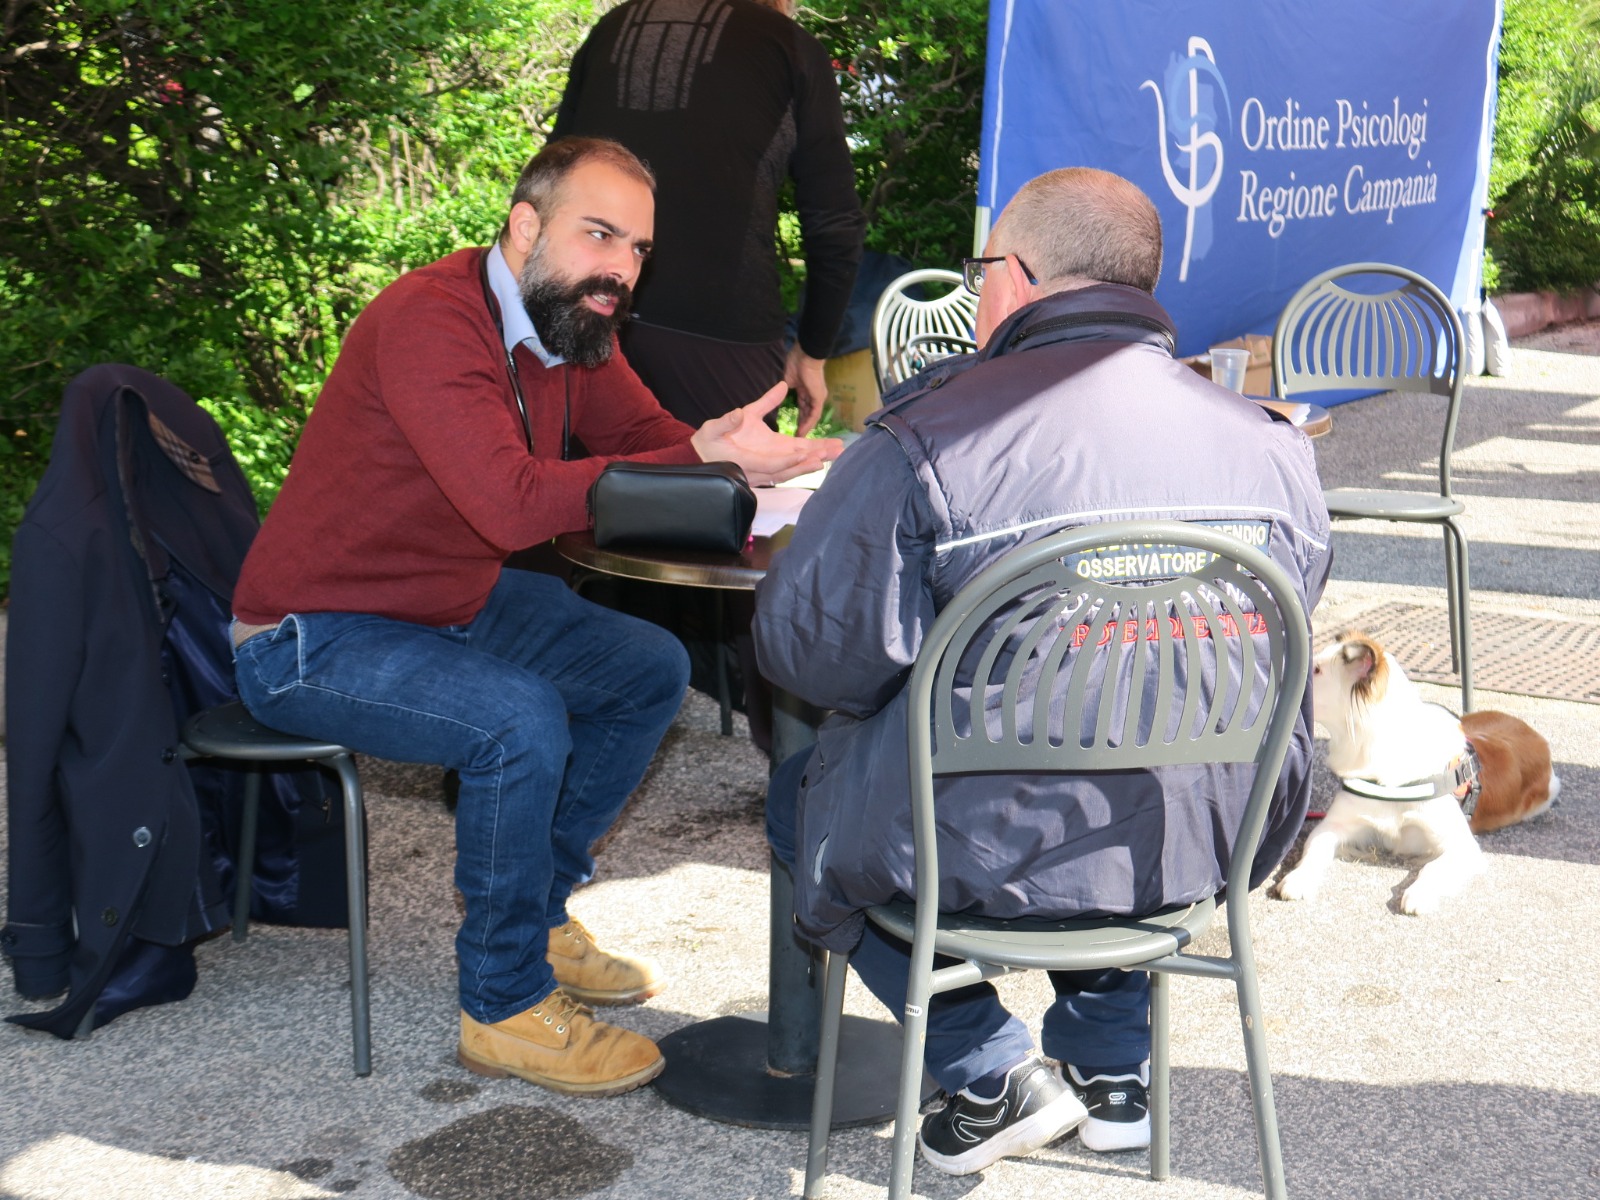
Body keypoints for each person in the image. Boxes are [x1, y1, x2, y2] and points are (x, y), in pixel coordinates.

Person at [230, 136, 840, 1098]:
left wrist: (714, 446)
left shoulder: (567, 326)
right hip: (312, 635)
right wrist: (700, 462)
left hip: (444, 602)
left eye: (637, 249)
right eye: (599, 235)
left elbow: (644, 444)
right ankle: (503, 1004)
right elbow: (509, 504)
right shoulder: (429, 320)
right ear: (525, 227)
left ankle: (538, 912)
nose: (620, 269)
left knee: (646, 668)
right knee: (518, 720)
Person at [754, 167, 1331, 1175]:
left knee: (803, 791)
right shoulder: (1269, 446)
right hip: (1206, 839)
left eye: (982, 272)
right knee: (1132, 734)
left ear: (1012, 280)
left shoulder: (929, 438)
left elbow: (815, 656)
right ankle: (1113, 1075)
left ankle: (984, 1068)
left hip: (984, 851)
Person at [551, 0, 865, 434]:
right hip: (716, 332)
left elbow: (550, 179)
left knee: (579, 493)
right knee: (718, 494)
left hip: (584, 313)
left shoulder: (613, 26)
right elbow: (834, 224)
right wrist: (812, 352)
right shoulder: (789, 46)